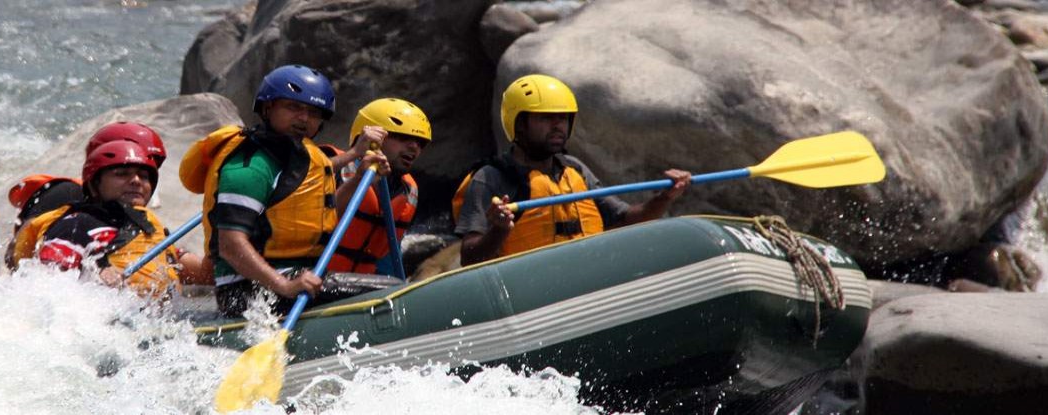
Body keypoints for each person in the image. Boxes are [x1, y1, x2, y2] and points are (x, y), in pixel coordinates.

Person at [180, 65, 385, 317]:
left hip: (296, 278)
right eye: (293, 107)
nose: (303, 118)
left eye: (313, 112)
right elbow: (230, 246)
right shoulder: (249, 167)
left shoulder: (300, 160)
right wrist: (285, 286)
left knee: (386, 286)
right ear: (268, 108)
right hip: (247, 291)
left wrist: (358, 169)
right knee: (388, 292)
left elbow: (324, 207)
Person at [454, 74, 693, 267]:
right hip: (529, 287)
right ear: (519, 125)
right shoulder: (492, 177)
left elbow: (626, 219)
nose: (558, 126)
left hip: (585, 277)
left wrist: (664, 198)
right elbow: (470, 258)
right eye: (546, 118)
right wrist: (499, 229)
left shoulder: (575, 168)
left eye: (563, 118)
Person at [21, 140, 209, 298]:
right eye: (121, 174)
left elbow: (205, 274)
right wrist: (98, 271)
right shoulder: (77, 224)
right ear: (95, 185)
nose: (136, 181)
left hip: (157, 324)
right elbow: (47, 286)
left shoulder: (149, 230)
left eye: (143, 176)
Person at [7, 121, 168, 267]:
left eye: (145, 173)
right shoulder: (67, 194)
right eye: (124, 172)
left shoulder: (132, 215)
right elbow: (17, 255)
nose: (137, 180)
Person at [324, 98, 431, 278]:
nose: (414, 147)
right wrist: (358, 179)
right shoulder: (333, 167)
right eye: (402, 137)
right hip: (313, 277)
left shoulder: (408, 190)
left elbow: (389, 258)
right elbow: (316, 221)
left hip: (360, 286)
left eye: (420, 142)